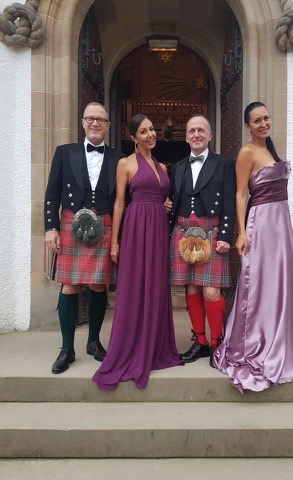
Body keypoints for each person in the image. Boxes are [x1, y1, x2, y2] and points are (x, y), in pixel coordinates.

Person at [213, 101, 293, 393]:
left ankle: (284, 339)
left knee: (280, 282)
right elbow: (239, 193)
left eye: (266, 118)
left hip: (281, 225)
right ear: (247, 126)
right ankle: (252, 340)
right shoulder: (247, 152)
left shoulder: (270, 150)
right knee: (257, 282)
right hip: (260, 223)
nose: (263, 124)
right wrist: (241, 232)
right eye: (256, 121)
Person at [92, 113, 182, 390]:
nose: (151, 135)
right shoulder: (125, 164)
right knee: (134, 287)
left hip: (157, 229)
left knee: (156, 286)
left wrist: (164, 206)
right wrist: (115, 241)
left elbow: (163, 197)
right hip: (135, 228)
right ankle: (131, 347)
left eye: (152, 130)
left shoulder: (162, 167)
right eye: (144, 132)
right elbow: (119, 203)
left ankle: (155, 346)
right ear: (133, 138)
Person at [44, 101, 125, 374]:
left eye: (100, 119)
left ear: (108, 125)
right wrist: (50, 227)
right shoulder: (64, 153)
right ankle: (67, 348)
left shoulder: (118, 158)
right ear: (82, 122)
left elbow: (127, 196)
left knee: (99, 285)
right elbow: (52, 193)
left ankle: (93, 341)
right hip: (70, 222)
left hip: (104, 223)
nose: (95, 123)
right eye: (90, 119)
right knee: (70, 286)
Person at [169, 114, 236, 367]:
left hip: (211, 232)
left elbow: (229, 201)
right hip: (183, 232)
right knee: (192, 288)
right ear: (186, 137)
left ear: (210, 135)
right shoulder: (177, 167)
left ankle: (217, 342)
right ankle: (200, 341)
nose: (196, 134)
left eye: (201, 130)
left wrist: (226, 235)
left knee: (211, 290)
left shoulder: (224, 164)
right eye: (191, 131)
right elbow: (172, 201)